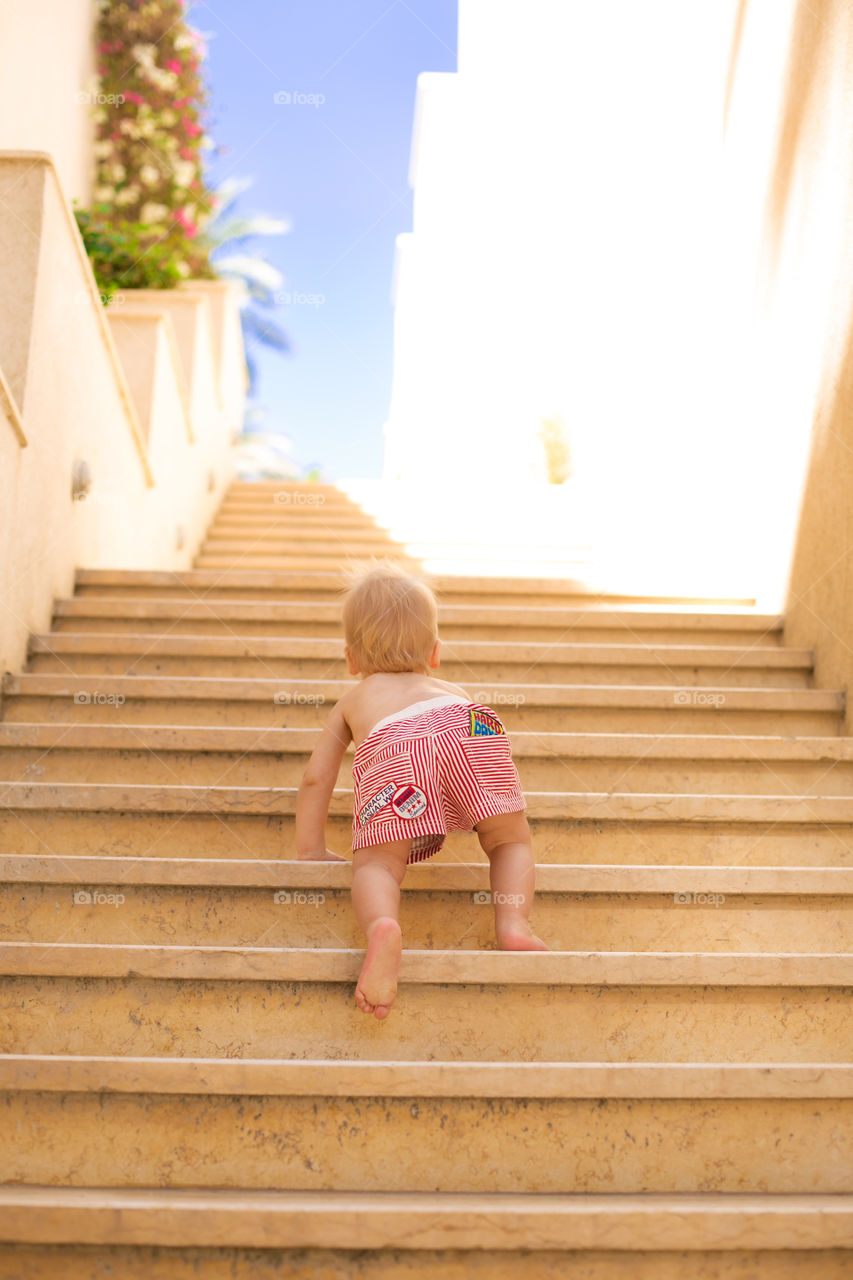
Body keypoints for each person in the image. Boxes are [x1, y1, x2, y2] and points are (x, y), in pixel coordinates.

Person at [295, 562, 548, 1020]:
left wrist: (311, 849)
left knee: (378, 862)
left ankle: (383, 925)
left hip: (395, 743)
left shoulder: (356, 699)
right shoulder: (451, 686)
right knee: (510, 838)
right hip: (470, 722)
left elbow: (317, 778)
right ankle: (513, 923)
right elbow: (457, 750)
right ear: (434, 652)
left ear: (351, 658)